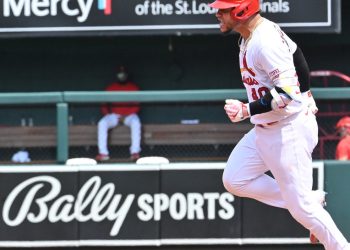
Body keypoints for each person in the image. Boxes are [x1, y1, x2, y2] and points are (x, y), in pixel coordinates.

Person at [208, 0, 350, 249]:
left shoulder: (265, 41)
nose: (217, 13)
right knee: (235, 178)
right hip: (267, 127)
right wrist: (305, 91)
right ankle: (309, 200)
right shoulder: (248, 36)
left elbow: (286, 94)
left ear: (241, 10)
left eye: (224, 9)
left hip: (289, 129)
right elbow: (298, 56)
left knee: (302, 210)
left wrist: (246, 110)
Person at [95, 65, 141, 162]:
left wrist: (125, 116)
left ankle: (134, 152)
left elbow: (137, 105)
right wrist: (108, 114)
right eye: (120, 73)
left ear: (127, 75)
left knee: (136, 122)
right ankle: (103, 153)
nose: (122, 75)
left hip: (129, 116)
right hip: (114, 115)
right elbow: (103, 103)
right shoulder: (111, 87)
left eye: (123, 73)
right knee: (102, 123)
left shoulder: (133, 87)